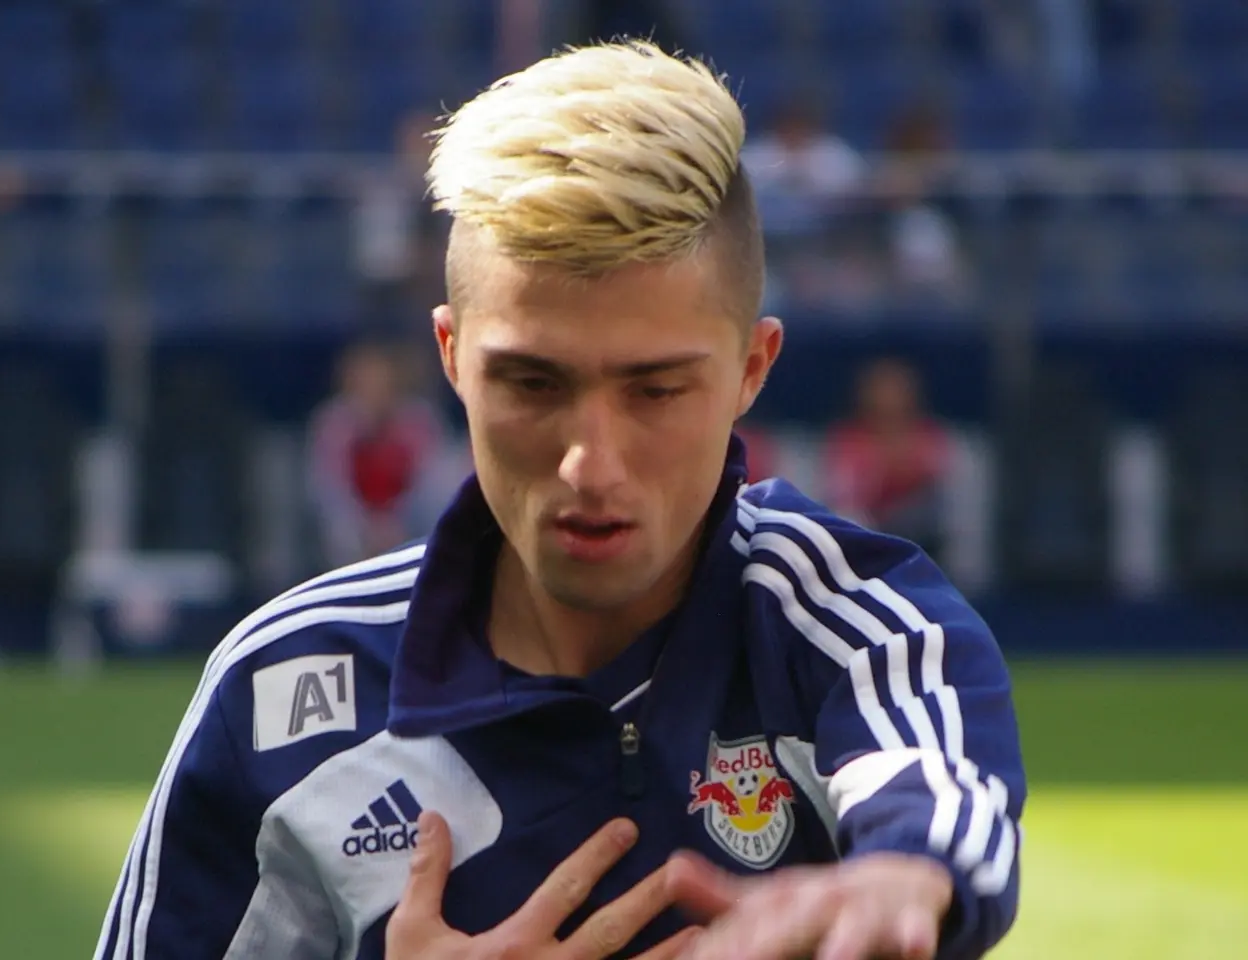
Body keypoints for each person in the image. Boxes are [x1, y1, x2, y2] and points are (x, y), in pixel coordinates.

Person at [95, 40, 1023, 960]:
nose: (592, 465)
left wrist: (903, 875)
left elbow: (934, 791)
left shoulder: (848, 620)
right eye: (533, 386)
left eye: (655, 391)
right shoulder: (281, 695)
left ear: (752, 370)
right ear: (453, 358)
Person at [305, 337, 446, 569]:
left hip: (410, 529)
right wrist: (363, 530)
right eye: (366, 380)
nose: (375, 388)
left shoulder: (421, 422)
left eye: (381, 380)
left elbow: (431, 483)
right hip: (349, 537)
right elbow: (329, 490)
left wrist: (396, 525)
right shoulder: (332, 425)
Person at [822, 358, 955, 562]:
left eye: (896, 389)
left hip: (926, 539)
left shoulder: (930, 436)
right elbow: (843, 498)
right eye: (881, 389)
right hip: (868, 540)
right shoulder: (848, 440)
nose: (888, 397)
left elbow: (939, 484)